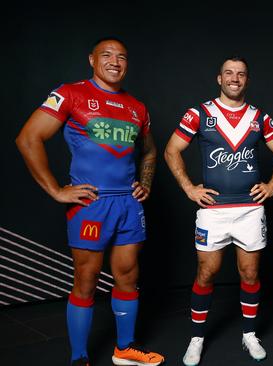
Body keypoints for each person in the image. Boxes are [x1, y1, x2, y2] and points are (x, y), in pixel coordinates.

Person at [15, 37, 164, 366]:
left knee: (127, 275)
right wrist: (56, 190)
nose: (115, 61)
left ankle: (125, 349)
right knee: (87, 278)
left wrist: (147, 182)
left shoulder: (137, 107)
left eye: (122, 56)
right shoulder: (71, 93)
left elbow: (150, 150)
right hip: (91, 203)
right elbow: (28, 138)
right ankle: (79, 356)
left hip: (128, 203)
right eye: (107, 55)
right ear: (92, 59)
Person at [164, 56, 273, 365]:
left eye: (241, 74)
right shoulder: (199, 113)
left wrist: (272, 184)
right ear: (219, 78)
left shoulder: (260, 117)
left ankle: (249, 334)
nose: (235, 78)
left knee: (249, 273)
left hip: (250, 210)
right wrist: (189, 188)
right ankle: (196, 338)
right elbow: (171, 150)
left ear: (247, 80)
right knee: (207, 273)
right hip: (213, 211)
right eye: (229, 73)